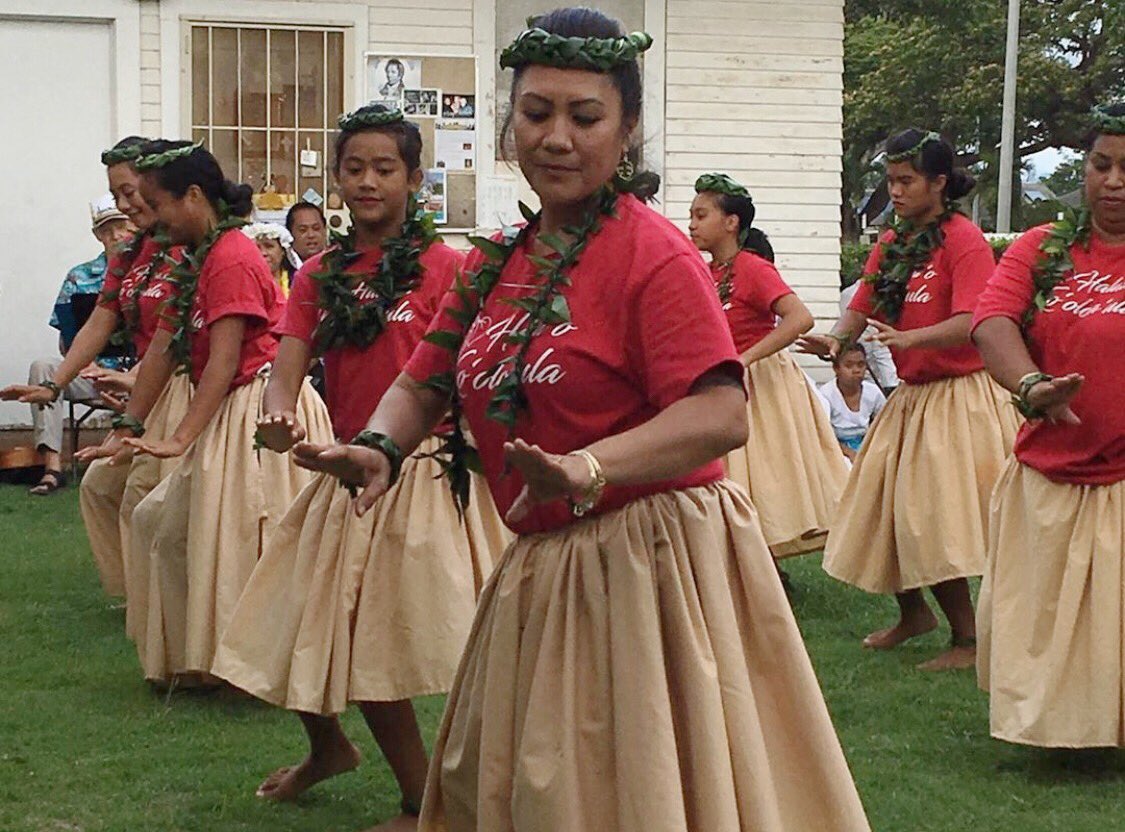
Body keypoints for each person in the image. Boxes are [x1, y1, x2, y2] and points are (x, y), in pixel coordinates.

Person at [295, 10, 870, 831]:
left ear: (627, 128)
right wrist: (379, 446)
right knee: (533, 786)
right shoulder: (497, 261)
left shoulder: (652, 253)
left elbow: (718, 411)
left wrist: (591, 464)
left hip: (650, 562)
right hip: (542, 563)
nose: (556, 137)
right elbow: (425, 380)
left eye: (585, 116)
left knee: (628, 787)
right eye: (536, 114)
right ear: (508, 124)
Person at [212, 104, 508, 832]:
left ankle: (424, 803)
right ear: (337, 178)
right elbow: (287, 364)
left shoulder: (451, 267)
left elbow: (476, 369)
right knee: (291, 620)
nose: (368, 181)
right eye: (354, 168)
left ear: (414, 179)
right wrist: (278, 414)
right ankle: (332, 749)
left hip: (433, 470)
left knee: (395, 642)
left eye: (385, 168)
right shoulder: (317, 274)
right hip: (346, 468)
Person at [96, 139, 332, 686]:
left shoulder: (229, 257)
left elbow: (225, 362)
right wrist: (128, 427)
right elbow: (163, 349)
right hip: (232, 404)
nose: (148, 220)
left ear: (195, 196)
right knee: (165, 523)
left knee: (242, 539)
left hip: (261, 407)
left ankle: (250, 667)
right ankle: (200, 661)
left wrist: (180, 439)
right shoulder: (195, 258)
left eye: (157, 205)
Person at [799, 129, 1019, 671]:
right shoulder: (895, 241)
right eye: (890, 181)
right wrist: (835, 338)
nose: (894, 191)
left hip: (957, 398)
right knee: (883, 510)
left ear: (939, 182)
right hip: (912, 400)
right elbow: (864, 303)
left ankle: (967, 641)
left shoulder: (963, 241)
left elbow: (975, 321)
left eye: (906, 180)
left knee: (931, 517)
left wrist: (910, 340)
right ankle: (914, 613)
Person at [972, 103, 1125, 747]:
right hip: (1051, 467)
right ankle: (1062, 729)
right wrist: (1032, 384)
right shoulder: (1041, 248)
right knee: (1049, 618)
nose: (1115, 182)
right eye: (1102, 164)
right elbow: (992, 321)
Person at [691, 172, 851, 557]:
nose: (692, 224)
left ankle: (762, 568)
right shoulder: (706, 272)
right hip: (721, 383)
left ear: (731, 223)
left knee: (762, 478)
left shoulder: (753, 267)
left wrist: (746, 358)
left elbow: (800, 318)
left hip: (760, 386)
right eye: (692, 216)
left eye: (701, 215)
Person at [1, 194, 134, 496]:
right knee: (42, 367)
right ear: (98, 236)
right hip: (91, 375)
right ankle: (51, 468)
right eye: (107, 229)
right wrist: (89, 367)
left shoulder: (152, 272)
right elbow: (68, 341)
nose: (116, 235)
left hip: (141, 375)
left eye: (122, 226)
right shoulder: (80, 277)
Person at [818, 342, 887, 461]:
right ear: (836, 368)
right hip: (834, 449)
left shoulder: (873, 392)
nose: (856, 370)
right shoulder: (825, 395)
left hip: (866, 446)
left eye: (861, 365)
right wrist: (849, 453)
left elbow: (886, 425)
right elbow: (822, 435)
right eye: (849, 366)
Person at [840, 274, 899, 392]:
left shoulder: (846, 293)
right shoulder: (876, 293)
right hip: (872, 361)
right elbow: (878, 343)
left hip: (863, 359)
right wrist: (891, 382)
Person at [242, 221, 301, 295]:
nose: (263, 253)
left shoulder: (297, 281)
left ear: (283, 251)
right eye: (256, 247)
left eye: (269, 246)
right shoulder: (242, 285)